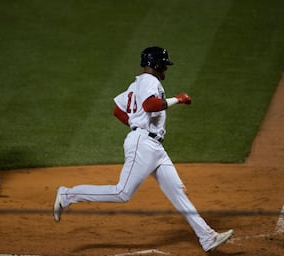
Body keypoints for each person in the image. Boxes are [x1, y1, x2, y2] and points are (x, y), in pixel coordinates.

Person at [53, 46, 233, 252]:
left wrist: (135, 124)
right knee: (122, 192)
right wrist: (178, 99)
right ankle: (67, 195)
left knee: (177, 192)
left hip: (154, 146)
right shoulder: (150, 81)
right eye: (164, 65)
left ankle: (207, 237)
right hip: (143, 144)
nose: (166, 69)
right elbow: (150, 105)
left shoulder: (136, 84)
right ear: (156, 64)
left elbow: (117, 110)